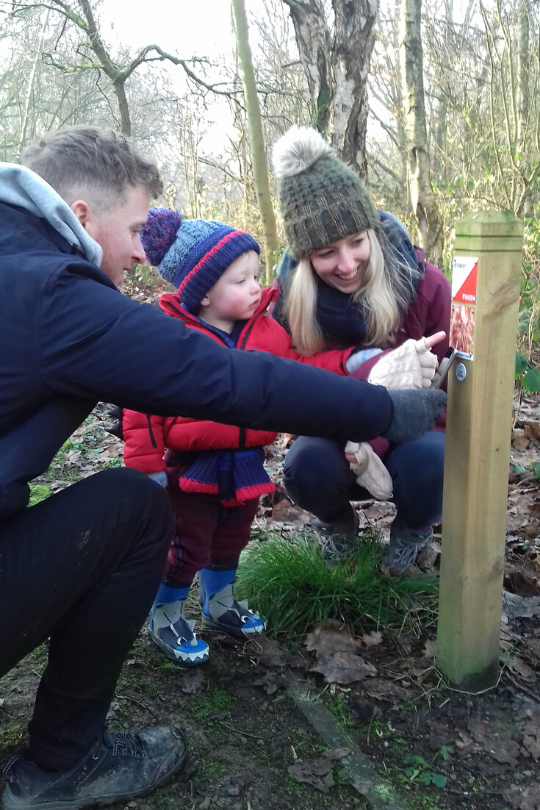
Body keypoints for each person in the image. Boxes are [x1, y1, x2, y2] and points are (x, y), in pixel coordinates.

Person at [0, 125, 446, 810]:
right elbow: (226, 379)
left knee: (121, 505)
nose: (140, 254)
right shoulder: (52, 292)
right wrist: (381, 410)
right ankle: (64, 763)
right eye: (137, 229)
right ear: (82, 217)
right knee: (138, 507)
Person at [122, 210, 367, 668]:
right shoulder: (174, 338)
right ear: (203, 292)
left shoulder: (267, 333)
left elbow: (300, 374)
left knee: (232, 537)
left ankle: (220, 604)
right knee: (188, 543)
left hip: (247, 462)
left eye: (255, 275)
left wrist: (350, 366)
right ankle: (166, 613)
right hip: (192, 469)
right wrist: (146, 464)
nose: (257, 286)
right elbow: (142, 403)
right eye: (241, 280)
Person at [271, 125, 452, 569]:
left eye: (356, 241)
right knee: (304, 467)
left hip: (414, 437)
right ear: (305, 257)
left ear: (372, 231)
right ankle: (337, 523)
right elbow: (288, 387)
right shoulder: (288, 304)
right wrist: (362, 388)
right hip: (335, 440)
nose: (347, 264)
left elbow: (449, 396)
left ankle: (412, 528)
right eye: (327, 252)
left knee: (438, 463)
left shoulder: (426, 285)